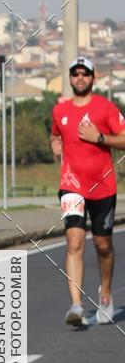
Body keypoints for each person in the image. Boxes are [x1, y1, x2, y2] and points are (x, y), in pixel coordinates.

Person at [50, 56, 125, 326]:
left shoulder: (105, 108)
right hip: (71, 185)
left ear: (94, 78)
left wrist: (101, 138)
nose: (80, 78)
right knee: (75, 241)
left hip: (103, 186)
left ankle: (105, 294)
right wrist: (54, 145)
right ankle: (77, 305)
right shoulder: (60, 110)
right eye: (75, 74)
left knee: (103, 245)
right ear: (70, 78)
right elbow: (56, 133)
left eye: (85, 73)